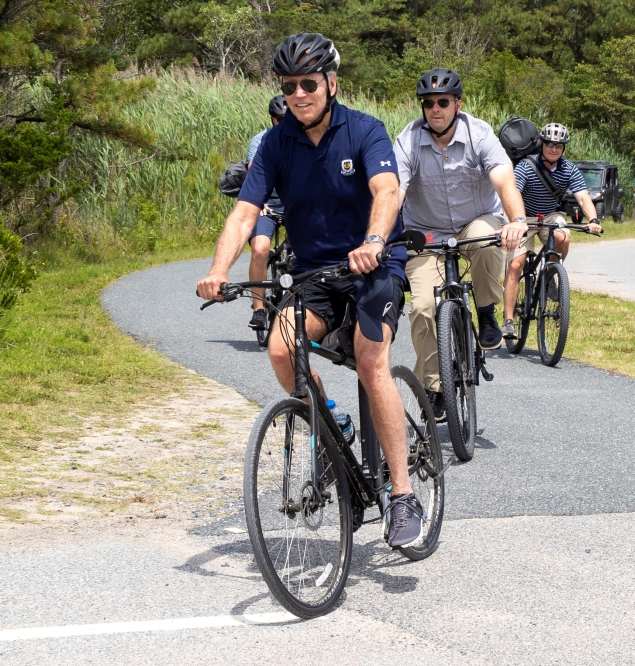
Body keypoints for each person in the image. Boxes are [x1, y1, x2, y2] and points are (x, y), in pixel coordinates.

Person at [196, 33, 426, 548]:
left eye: (309, 83)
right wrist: (216, 270)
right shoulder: (277, 144)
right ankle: (333, 427)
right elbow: (245, 213)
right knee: (281, 348)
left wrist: (372, 240)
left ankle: (404, 495)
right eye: (289, 85)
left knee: (371, 362)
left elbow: (387, 192)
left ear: (331, 83)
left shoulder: (364, 131)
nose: (299, 93)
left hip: (373, 266)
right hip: (314, 274)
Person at [393, 68, 529, 420]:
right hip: (426, 233)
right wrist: (377, 235)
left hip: (476, 222)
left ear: (457, 104)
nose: (434, 109)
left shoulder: (479, 134)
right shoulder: (408, 139)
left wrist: (516, 221)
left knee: (485, 243)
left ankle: (486, 313)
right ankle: (434, 386)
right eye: (427, 103)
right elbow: (396, 192)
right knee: (422, 307)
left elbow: (504, 182)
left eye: (442, 102)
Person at [501, 122, 602, 338]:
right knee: (516, 265)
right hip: (523, 216)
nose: (553, 149)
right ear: (542, 144)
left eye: (558, 145)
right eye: (549, 144)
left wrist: (593, 219)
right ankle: (508, 320)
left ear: (563, 148)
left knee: (563, 236)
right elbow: (514, 193)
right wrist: (514, 221)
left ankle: (549, 274)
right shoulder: (527, 166)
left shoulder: (569, 169)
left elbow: (583, 196)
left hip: (550, 215)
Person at [244, 94, 287, 330]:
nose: (285, 122)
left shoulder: (307, 140)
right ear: (273, 119)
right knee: (259, 249)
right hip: (266, 204)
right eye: (280, 119)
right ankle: (259, 309)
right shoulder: (260, 141)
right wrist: (258, 202)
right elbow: (254, 176)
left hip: (294, 204)